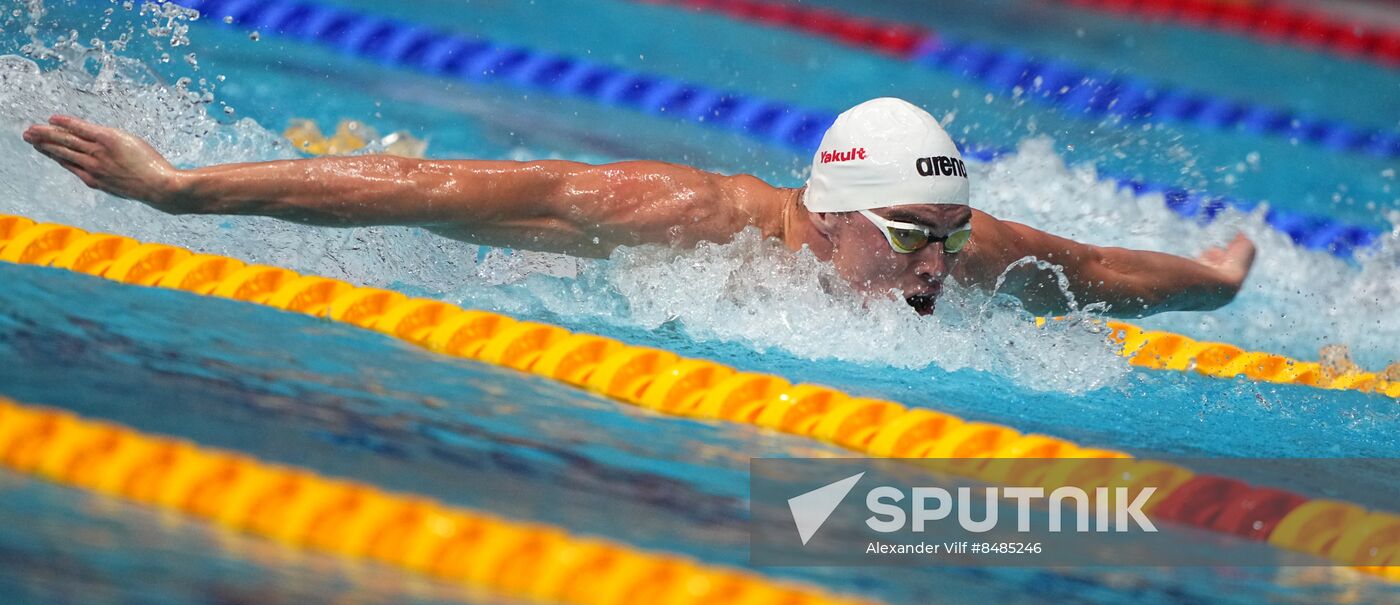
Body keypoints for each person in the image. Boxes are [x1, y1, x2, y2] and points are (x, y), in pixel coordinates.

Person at [22, 97, 1254, 317]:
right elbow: (427, 185)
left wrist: (1219, 276)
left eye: (945, 239)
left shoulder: (950, 251)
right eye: (905, 240)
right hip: (543, 254)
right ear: (822, 213)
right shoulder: (683, 214)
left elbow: (1095, 268)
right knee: (459, 220)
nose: (934, 271)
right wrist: (179, 191)